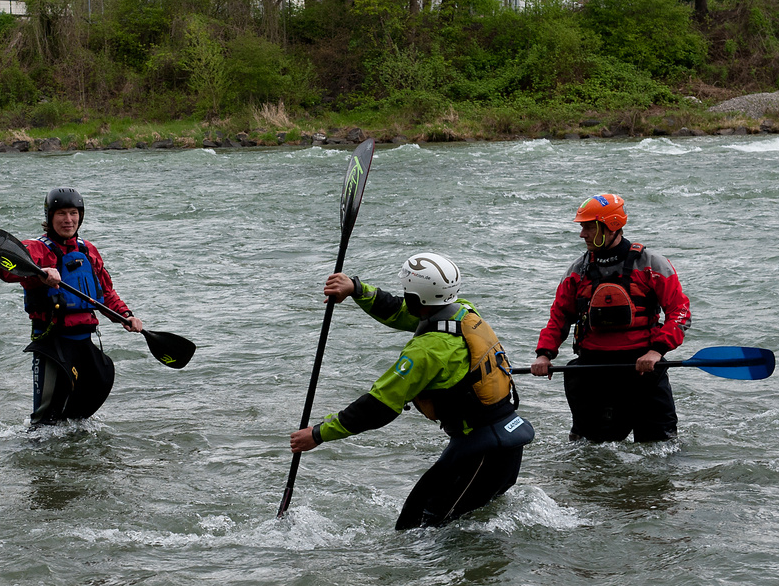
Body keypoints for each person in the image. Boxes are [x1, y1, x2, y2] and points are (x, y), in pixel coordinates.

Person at [289, 252, 534, 529]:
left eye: (408, 293)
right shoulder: (464, 311)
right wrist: (356, 289)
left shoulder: (426, 351)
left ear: (418, 299)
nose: (405, 297)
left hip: (483, 453)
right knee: (422, 525)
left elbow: (378, 405)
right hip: (498, 442)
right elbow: (398, 311)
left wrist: (318, 434)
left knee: (422, 528)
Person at [530, 193, 692, 443]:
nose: (582, 234)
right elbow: (559, 317)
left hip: (643, 368)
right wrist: (544, 354)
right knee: (591, 455)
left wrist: (657, 351)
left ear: (612, 225)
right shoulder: (577, 271)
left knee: (660, 451)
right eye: (582, 227)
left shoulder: (651, 265)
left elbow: (680, 313)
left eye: (588, 226)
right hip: (593, 371)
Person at [0, 188, 145, 423]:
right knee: (46, 419)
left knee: (84, 409)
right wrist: (39, 273)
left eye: (73, 213)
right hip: (52, 343)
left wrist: (126, 315)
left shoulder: (88, 250)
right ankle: (37, 453)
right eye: (61, 213)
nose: (68, 220)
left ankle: (73, 457)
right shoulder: (37, 248)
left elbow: (106, 293)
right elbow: (4, 270)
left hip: (84, 341)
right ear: (50, 217)